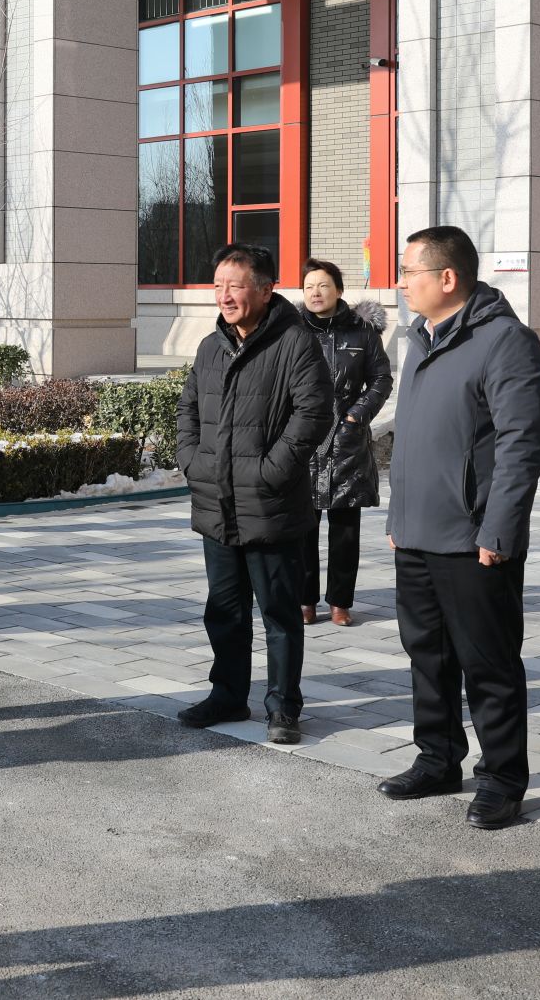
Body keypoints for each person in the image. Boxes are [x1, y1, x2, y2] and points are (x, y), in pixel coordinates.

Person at [381, 225, 540, 830]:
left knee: (489, 664)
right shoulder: (420, 339)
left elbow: (522, 445)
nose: (402, 283)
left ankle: (502, 778)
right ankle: (437, 758)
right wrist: (400, 515)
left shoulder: (505, 341)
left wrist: (498, 530)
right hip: (417, 533)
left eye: (410, 272)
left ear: (447, 278)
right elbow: (414, 439)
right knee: (426, 655)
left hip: (475, 539)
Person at [174, 243, 331, 746]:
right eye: (218, 285)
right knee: (224, 611)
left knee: (279, 615)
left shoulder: (295, 342)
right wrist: (191, 460)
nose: (224, 295)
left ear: (265, 290)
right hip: (216, 503)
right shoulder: (210, 346)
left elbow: (313, 414)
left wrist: (270, 471)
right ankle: (227, 695)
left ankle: (283, 706)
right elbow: (188, 410)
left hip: (270, 505)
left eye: (235, 285)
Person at [296, 259, 393, 627]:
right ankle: (304, 600)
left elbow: (381, 379)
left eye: (323, 285)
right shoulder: (291, 330)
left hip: (347, 442)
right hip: (303, 440)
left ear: (338, 290)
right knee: (302, 527)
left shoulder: (362, 332)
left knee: (345, 530)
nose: (316, 293)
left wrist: (356, 415)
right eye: (309, 286)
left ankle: (340, 602)